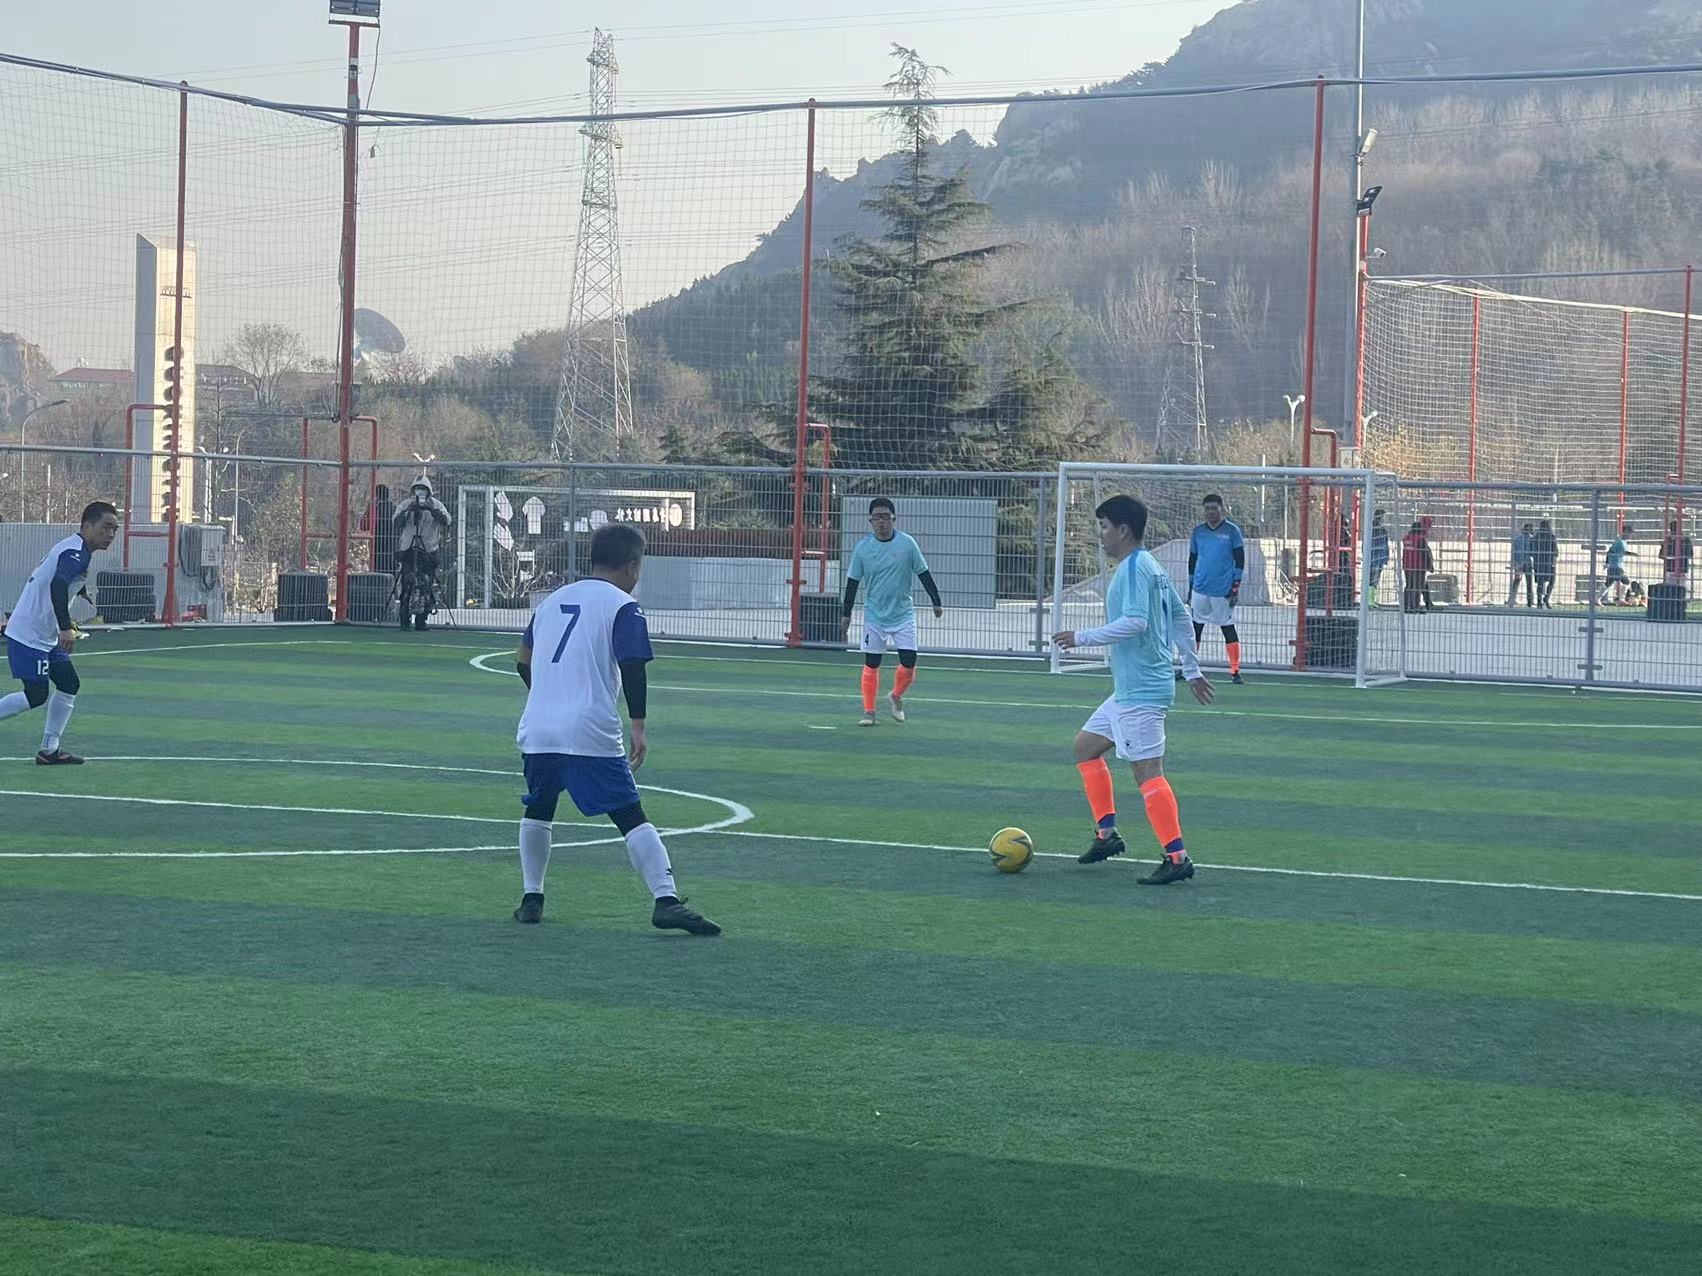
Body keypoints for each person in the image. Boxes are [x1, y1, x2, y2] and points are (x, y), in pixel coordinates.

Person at [512, 522, 719, 935]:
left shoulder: (551, 601)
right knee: (629, 813)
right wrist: (638, 724)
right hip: (588, 728)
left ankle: (531, 898)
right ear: (633, 566)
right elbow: (633, 664)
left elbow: (522, 661)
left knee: (540, 806)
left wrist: (551, 695)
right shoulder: (623, 605)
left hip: (538, 727)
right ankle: (666, 900)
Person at [1053, 494, 1214, 887]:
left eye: (1104, 527)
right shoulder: (1151, 566)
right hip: (1129, 689)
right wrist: (1192, 670)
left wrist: (1081, 637)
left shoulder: (1134, 569)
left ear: (1123, 530)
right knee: (1085, 747)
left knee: (1147, 774)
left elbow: (1136, 623)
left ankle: (1177, 857)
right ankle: (1107, 835)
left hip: (1141, 690)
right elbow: (1182, 617)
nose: (1101, 535)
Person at [0, 501, 120, 764]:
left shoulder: (76, 549)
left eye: (115, 529)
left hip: (45, 634)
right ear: (87, 526)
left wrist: (79, 589)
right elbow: (57, 585)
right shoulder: (74, 552)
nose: (111, 534)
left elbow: (60, 579)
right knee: (36, 695)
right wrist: (66, 629)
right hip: (29, 634)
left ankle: (49, 750)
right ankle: (49, 749)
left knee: (68, 684)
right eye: (106, 527)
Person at [839, 497, 943, 726]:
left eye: (886, 517)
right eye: (877, 517)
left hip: (903, 614)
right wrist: (846, 614)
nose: (882, 522)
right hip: (875, 616)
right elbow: (853, 583)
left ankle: (895, 696)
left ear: (894, 519)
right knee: (872, 662)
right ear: (870, 521)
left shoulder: (907, 544)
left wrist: (936, 601)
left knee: (909, 662)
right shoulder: (863, 549)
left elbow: (923, 573)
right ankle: (869, 711)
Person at [1186, 493, 1247, 685]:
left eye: (1214, 508)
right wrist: (1190, 587)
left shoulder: (1232, 531)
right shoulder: (1198, 532)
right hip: (1200, 589)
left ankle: (1235, 671)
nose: (1211, 512)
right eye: (1207, 509)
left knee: (1227, 627)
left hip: (1223, 591)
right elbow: (1192, 560)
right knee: (1194, 628)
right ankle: (1190, 669)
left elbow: (1240, 560)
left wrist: (1235, 587)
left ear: (1222, 509)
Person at [394, 477, 451, 631]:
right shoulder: (405, 505)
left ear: (429, 491)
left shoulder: (437, 505)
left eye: (423, 489)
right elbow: (396, 523)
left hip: (428, 550)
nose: (420, 492)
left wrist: (431, 510)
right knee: (407, 584)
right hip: (408, 549)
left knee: (426, 584)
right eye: (417, 489)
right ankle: (404, 620)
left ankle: (421, 620)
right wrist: (409, 510)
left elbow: (446, 520)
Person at [1401, 518, 1434, 614]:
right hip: (1419, 566)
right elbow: (1425, 554)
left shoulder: (1406, 539)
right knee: (1418, 587)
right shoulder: (1420, 539)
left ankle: (1406, 606)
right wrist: (1430, 566)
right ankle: (1415, 607)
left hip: (1407, 566)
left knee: (1409, 586)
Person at [1599, 524, 1634, 605]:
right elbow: (1610, 552)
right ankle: (1621, 599)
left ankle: (1597, 599)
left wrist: (1632, 554)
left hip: (1614, 567)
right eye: (1630, 533)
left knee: (1608, 584)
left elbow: (1621, 552)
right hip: (1616, 567)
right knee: (1626, 582)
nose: (1631, 535)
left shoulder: (1623, 542)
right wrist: (1607, 563)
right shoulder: (1619, 542)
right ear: (1625, 532)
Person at [1532, 519, 1559, 609]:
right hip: (1549, 562)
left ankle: (1539, 601)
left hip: (1539, 563)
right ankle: (1546, 598)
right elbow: (1555, 551)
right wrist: (1554, 562)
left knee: (1540, 583)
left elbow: (1532, 551)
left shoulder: (1536, 537)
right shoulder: (1551, 537)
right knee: (1551, 581)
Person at [1508, 522, 1536, 608]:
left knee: (1516, 581)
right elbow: (1533, 552)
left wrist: (1514, 563)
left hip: (1518, 563)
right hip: (1527, 562)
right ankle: (1530, 601)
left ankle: (1511, 600)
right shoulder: (1532, 539)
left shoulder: (1516, 539)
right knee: (1529, 582)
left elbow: (1513, 552)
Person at [1660, 519, 1694, 591]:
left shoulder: (1668, 540)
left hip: (1670, 568)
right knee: (1682, 589)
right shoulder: (1686, 540)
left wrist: (1670, 556)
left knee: (1670, 590)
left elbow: (1661, 555)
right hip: (1683, 568)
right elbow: (1691, 554)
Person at [1368, 511, 1391, 607]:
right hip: (1377, 557)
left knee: (1372, 579)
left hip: (1372, 557)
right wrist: (1386, 557)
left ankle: (1371, 600)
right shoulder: (1381, 530)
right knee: (1374, 579)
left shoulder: (1370, 528)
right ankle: (1370, 601)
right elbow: (1384, 545)